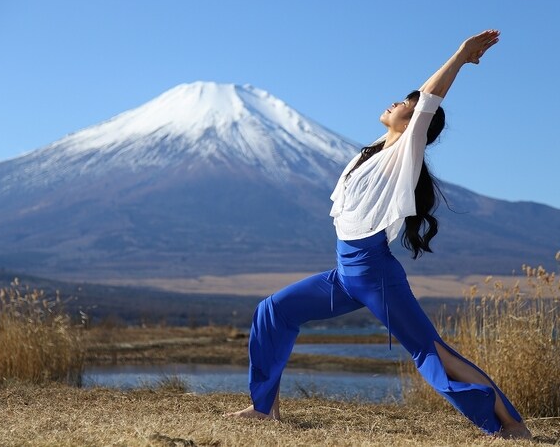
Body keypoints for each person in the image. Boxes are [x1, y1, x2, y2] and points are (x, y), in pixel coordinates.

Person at [225, 30, 532, 440]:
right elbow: (419, 96)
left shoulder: (406, 152)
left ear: (414, 123)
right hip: (344, 275)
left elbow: (427, 99)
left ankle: (511, 424)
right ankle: (264, 409)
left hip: (375, 276)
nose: (396, 103)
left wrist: (460, 57)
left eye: (404, 104)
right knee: (273, 311)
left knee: (431, 353)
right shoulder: (376, 149)